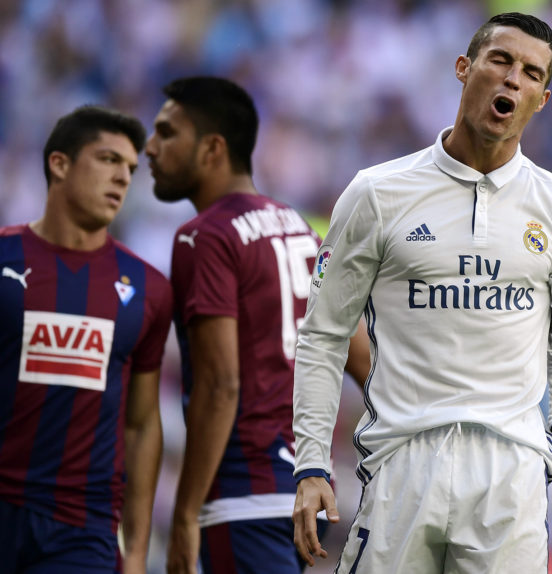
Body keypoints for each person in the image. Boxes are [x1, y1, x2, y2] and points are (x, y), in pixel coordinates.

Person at [292, 12, 552, 573]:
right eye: (500, 60)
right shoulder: (378, 192)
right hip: (402, 461)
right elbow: (323, 334)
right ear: (464, 68)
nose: (513, 79)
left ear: (542, 99)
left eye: (531, 73)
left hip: (511, 471)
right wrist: (312, 464)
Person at [146, 76, 370, 574]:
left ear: (212, 149)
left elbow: (220, 385)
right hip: (309, 492)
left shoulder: (204, 237)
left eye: (167, 133)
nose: (151, 147)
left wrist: (185, 513)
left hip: (244, 495)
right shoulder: (301, 229)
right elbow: (365, 363)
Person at [0, 106, 173, 573]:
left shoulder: (149, 288)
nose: (122, 178)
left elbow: (141, 425)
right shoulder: (4, 257)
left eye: (130, 169)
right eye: (108, 160)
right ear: (59, 164)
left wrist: (135, 552)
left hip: (82, 531)